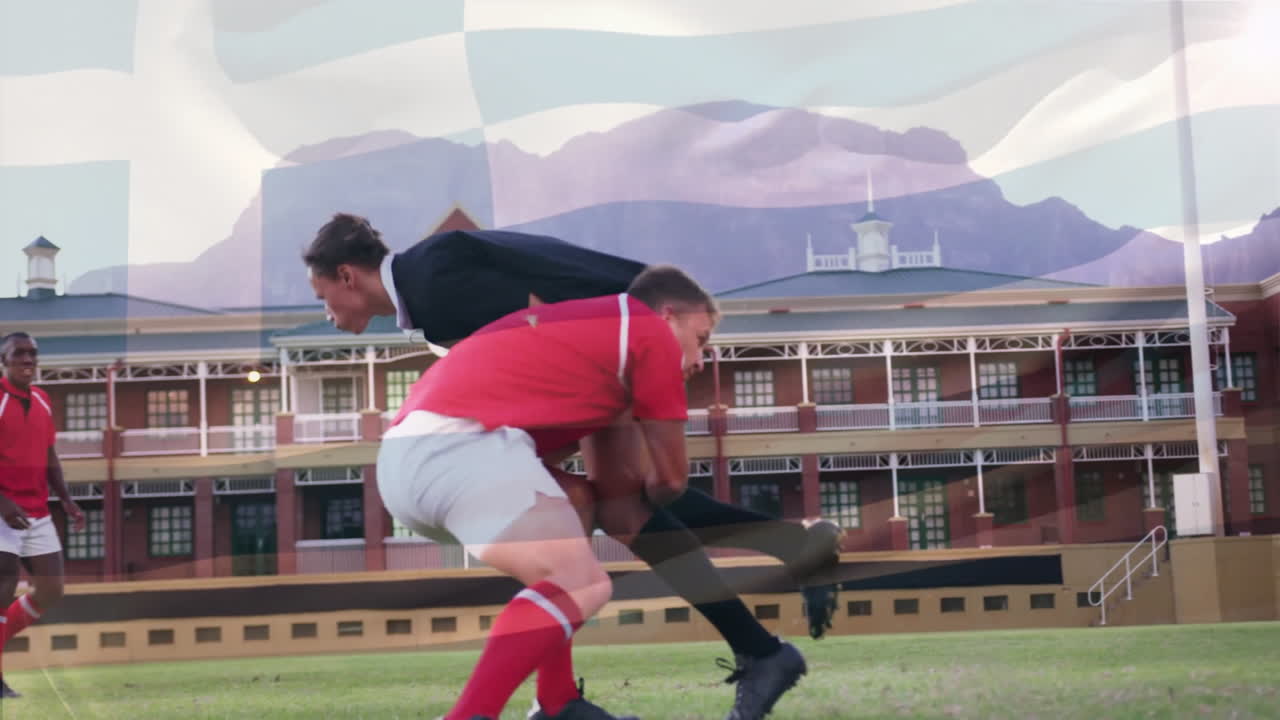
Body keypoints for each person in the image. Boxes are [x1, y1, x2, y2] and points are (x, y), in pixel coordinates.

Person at [304, 215, 837, 720]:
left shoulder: (432, 277)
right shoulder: (426, 296)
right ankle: (781, 571)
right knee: (604, 506)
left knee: (624, 508)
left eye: (321, 296)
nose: (325, 311)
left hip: (623, 333)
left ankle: (763, 626)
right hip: (607, 339)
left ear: (347, 275)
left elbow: (536, 318)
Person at [378, 265, 714, 719]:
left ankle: (557, 703)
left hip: (409, 459)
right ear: (669, 316)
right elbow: (670, 483)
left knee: (576, 505)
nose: (700, 359)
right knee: (583, 582)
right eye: (701, 338)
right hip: (455, 446)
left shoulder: (591, 339)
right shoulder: (649, 330)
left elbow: (604, 491)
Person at [0, 332, 87, 699]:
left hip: (37, 510)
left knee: (51, 589)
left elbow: (50, 455)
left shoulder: (42, 400)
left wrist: (65, 498)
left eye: (33, 354)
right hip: (2, 509)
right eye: (19, 353)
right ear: (3, 359)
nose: (27, 360)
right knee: (3, 585)